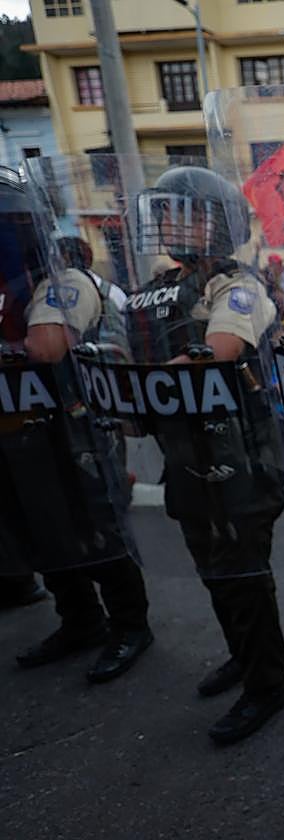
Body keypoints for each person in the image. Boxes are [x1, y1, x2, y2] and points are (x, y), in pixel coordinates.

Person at [127, 165, 284, 744]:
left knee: (245, 574)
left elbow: (219, 349)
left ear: (216, 224)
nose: (170, 222)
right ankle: (242, 658)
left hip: (241, 460)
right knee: (213, 571)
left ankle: (267, 685)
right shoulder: (164, 290)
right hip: (187, 457)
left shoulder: (237, 284)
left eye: (184, 211)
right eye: (165, 211)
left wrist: (136, 384)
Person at [1, 171, 152, 683]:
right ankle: (79, 621)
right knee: (42, 533)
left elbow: (45, 346)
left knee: (98, 531)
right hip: (19, 437)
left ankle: (131, 626)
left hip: (75, 433)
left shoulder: (64, 280)